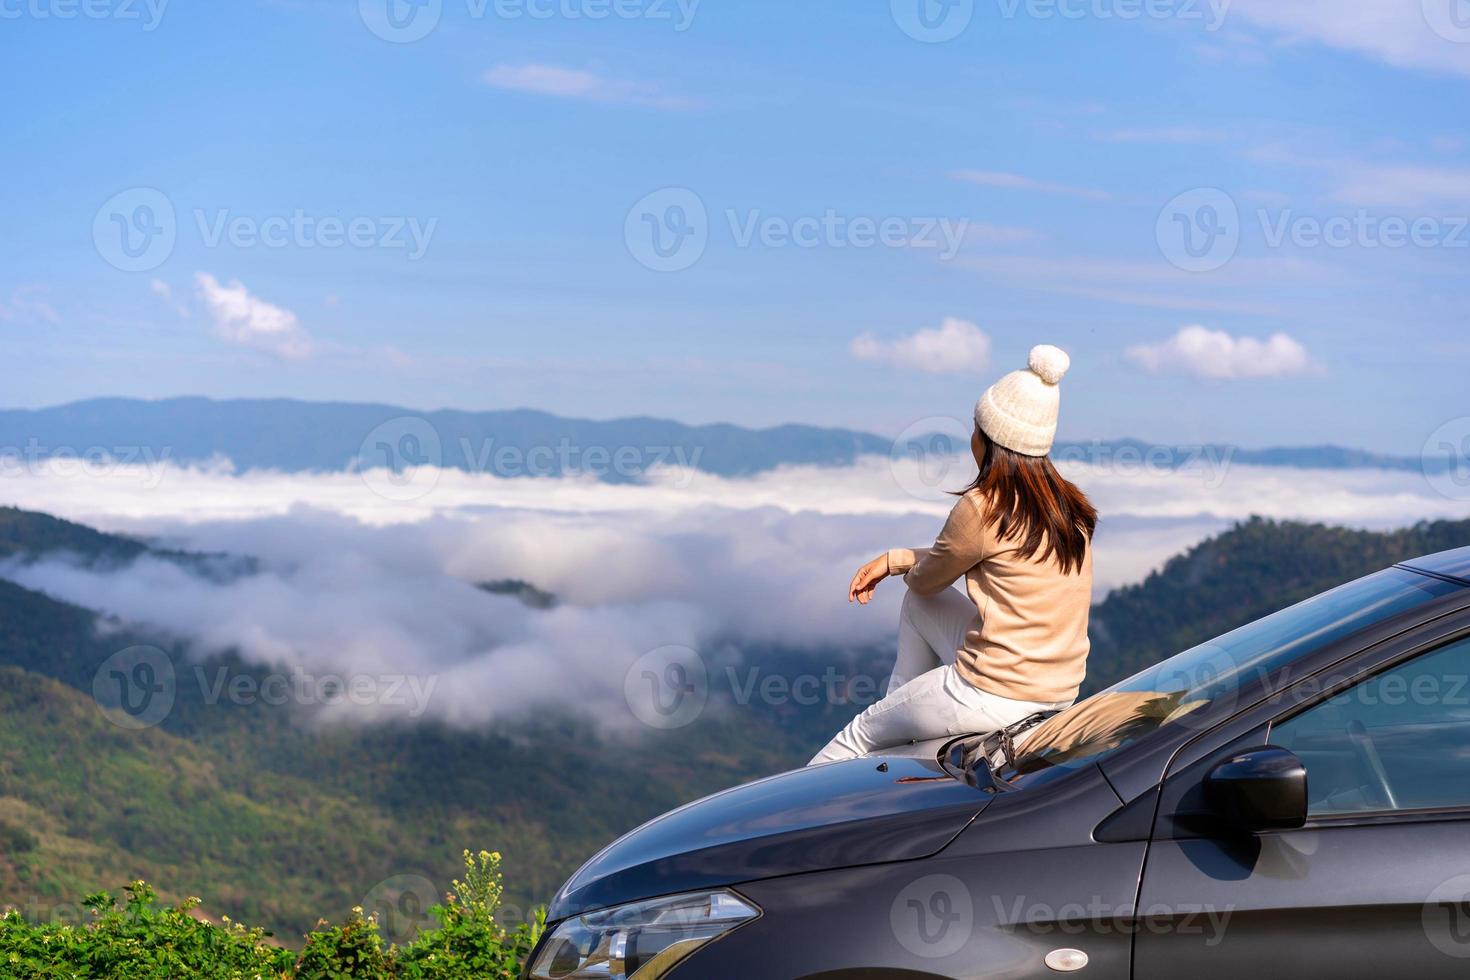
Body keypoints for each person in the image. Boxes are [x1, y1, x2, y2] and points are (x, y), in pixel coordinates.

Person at [810, 345, 1097, 765]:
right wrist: (896, 560)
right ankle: (907, 732)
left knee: (859, 736)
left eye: (976, 428)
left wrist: (905, 563)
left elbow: (930, 577)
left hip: (994, 694)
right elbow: (981, 560)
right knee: (920, 604)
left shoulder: (984, 506)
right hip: (1056, 694)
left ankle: (780, 825)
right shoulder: (1067, 506)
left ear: (990, 440)